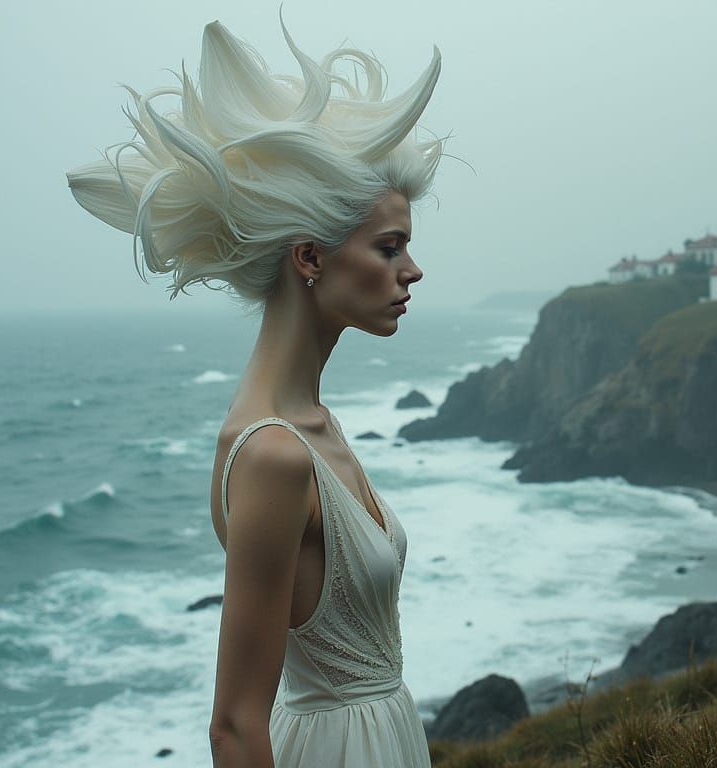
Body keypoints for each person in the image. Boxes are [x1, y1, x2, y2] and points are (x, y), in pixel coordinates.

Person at [66, 11, 445, 767]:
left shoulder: (313, 426)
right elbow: (235, 726)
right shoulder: (274, 453)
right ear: (308, 257)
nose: (412, 270)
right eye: (390, 246)